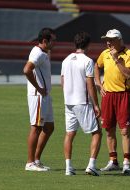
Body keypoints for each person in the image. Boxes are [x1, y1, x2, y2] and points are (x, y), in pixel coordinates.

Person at [94, 29, 130, 175]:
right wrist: (98, 83)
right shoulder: (104, 53)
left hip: (123, 95)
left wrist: (117, 59)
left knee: (124, 130)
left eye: (111, 40)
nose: (108, 42)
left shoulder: (129, 54)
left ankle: (126, 163)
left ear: (119, 40)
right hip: (108, 96)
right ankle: (113, 161)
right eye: (107, 40)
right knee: (109, 129)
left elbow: (129, 74)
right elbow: (96, 66)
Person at [61, 31, 102, 176]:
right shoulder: (88, 61)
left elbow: (62, 81)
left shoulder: (66, 60)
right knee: (97, 133)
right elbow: (90, 85)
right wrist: (96, 105)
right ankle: (91, 165)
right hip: (82, 102)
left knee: (70, 134)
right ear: (88, 44)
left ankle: (68, 167)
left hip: (69, 102)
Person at [23, 28, 56, 171]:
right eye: (53, 40)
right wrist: (39, 87)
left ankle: (36, 159)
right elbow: (26, 70)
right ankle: (30, 163)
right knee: (36, 127)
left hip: (45, 96)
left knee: (49, 127)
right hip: (38, 96)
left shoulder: (43, 53)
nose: (54, 43)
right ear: (45, 41)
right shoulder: (37, 53)